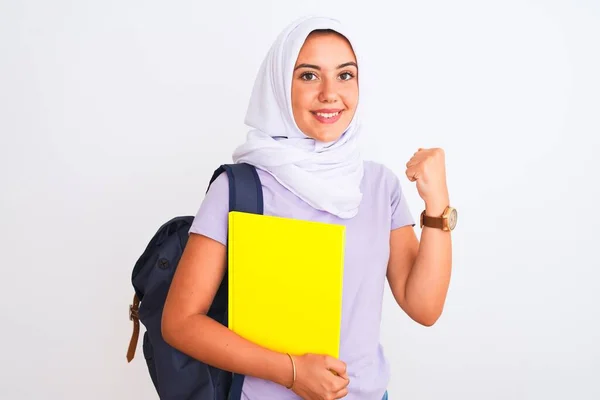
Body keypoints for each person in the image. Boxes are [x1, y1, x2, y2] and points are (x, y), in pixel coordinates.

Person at [161, 15, 455, 400]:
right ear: (280, 86)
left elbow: (424, 308)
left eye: (345, 75)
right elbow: (180, 322)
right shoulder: (240, 188)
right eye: (309, 76)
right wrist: (293, 372)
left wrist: (438, 203)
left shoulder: (380, 186)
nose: (330, 93)